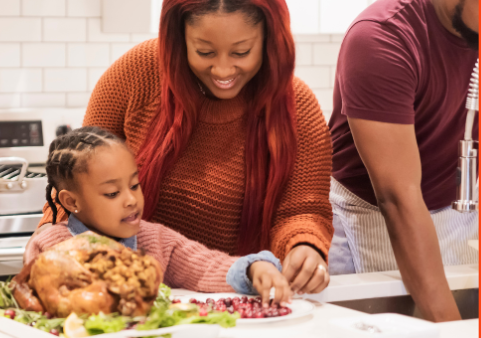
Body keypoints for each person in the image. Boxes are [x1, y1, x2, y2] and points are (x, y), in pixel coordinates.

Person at [33, 0, 334, 296]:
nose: (222, 70)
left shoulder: (298, 106)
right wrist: (50, 239)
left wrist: (305, 249)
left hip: (235, 297)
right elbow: (77, 181)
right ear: (179, 38)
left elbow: (303, 210)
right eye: (205, 52)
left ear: (269, 40)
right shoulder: (135, 75)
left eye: (240, 52)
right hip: (124, 294)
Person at [327, 0, 481, 322]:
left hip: (452, 207)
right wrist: (453, 335)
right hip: (378, 214)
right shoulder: (382, 40)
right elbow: (397, 196)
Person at [26, 127, 293, 306]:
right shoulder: (52, 245)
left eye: (134, 186)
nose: (131, 200)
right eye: (111, 193)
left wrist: (253, 269)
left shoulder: (155, 239)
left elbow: (207, 267)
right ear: (72, 202)